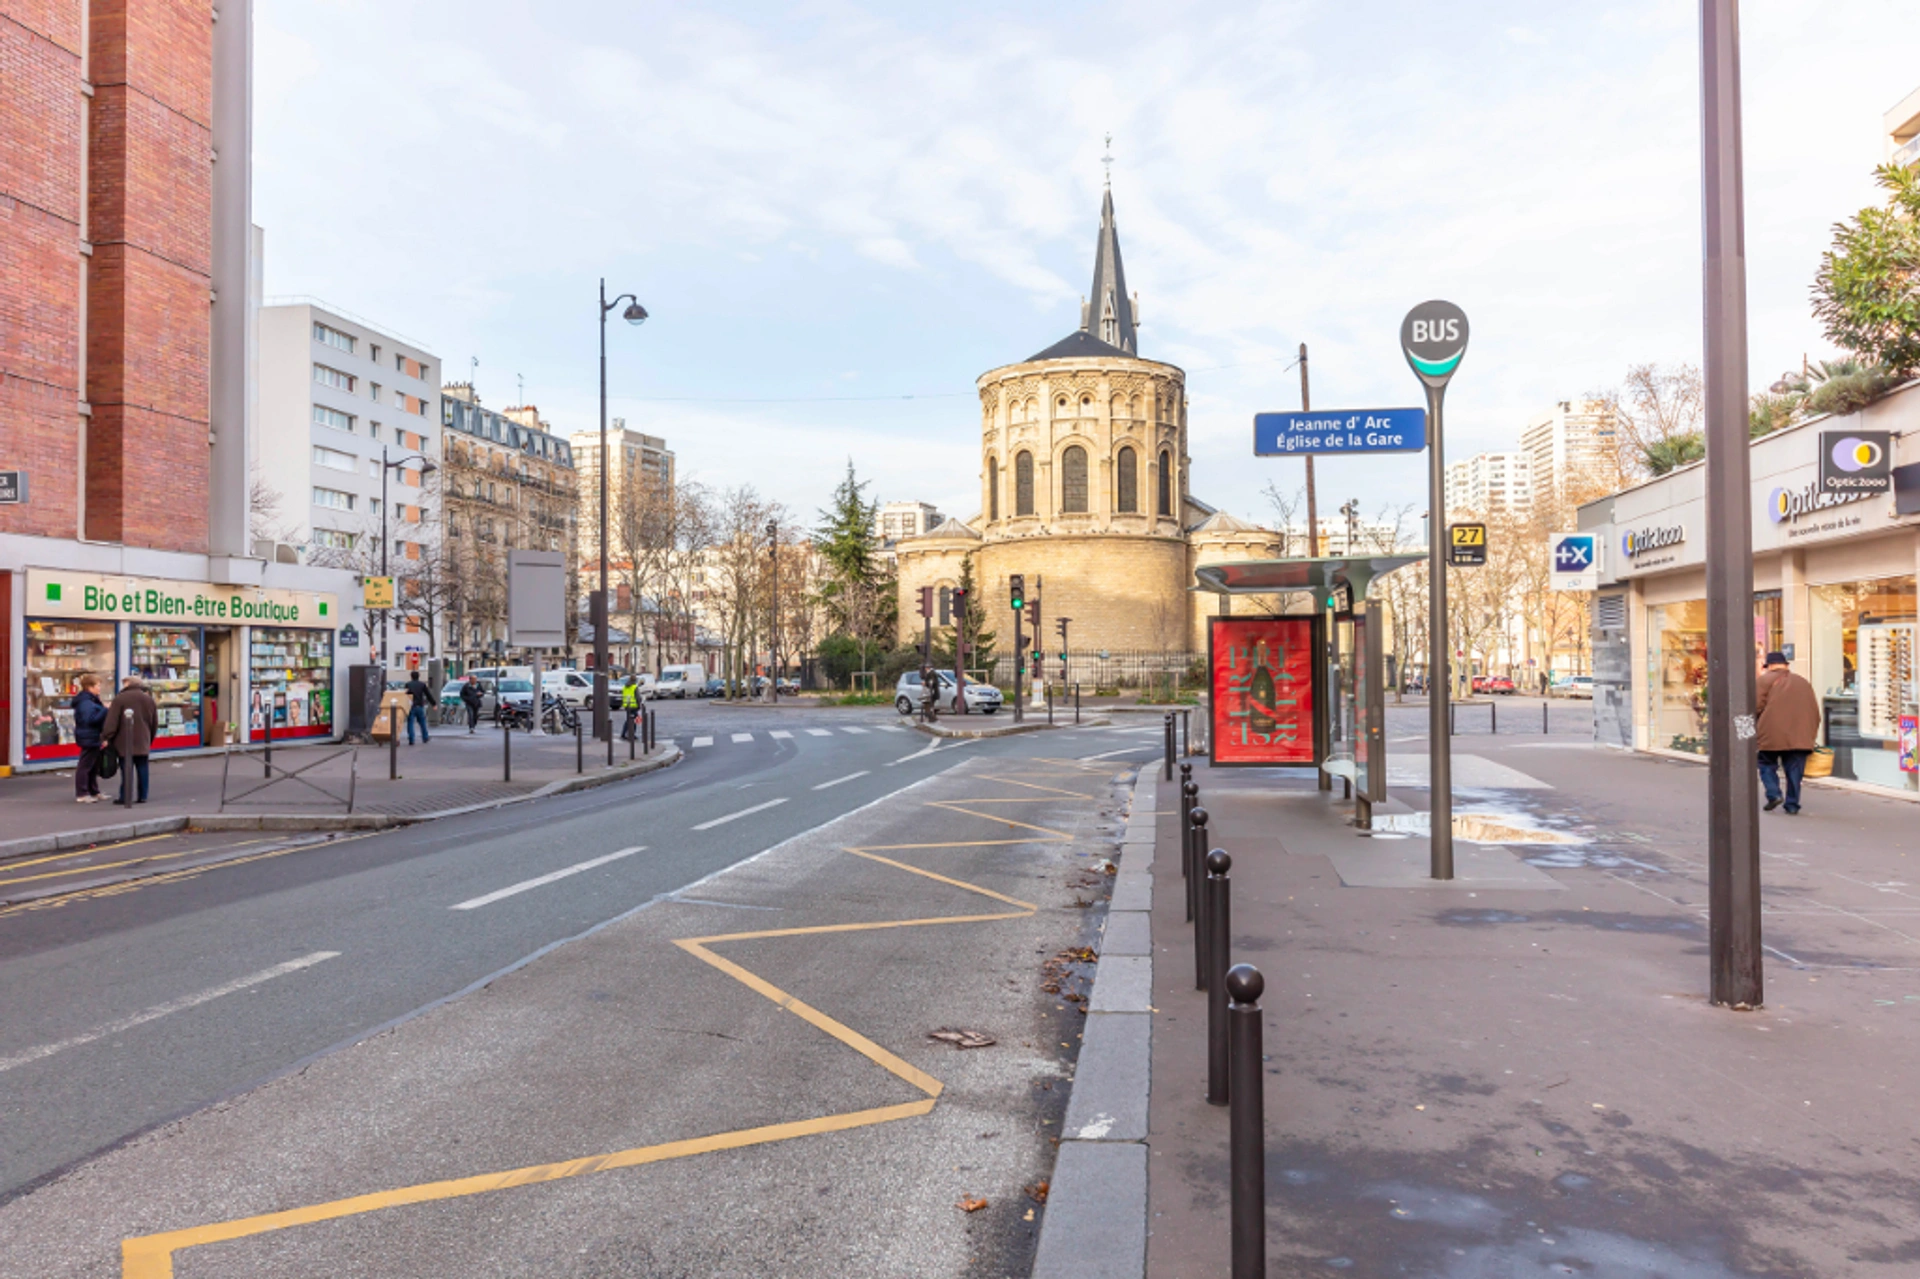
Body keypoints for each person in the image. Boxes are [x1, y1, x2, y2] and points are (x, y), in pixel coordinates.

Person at [1756, 651, 1820, 815]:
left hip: (1770, 733)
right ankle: (1792, 804)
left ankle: (1774, 793)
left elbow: (1754, 708)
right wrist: (1810, 735)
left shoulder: (1763, 681)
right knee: (1795, 771)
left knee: (1766, 764)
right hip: (1800, 736)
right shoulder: (1803, 682)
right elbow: (1814, 712)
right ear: (1786, 665)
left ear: (1769, 666)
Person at [101, 675, 158, 804]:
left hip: (124, 740)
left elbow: (112, 722)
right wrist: (149, 738)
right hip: (143, 739)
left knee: (126, 769)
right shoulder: (148, 699)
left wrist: (106, 736)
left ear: (128, 684)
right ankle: (143, 795)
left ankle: (125, 796)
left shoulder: (120, 699)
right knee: (142, 767)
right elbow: (154, 722)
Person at [72, 673, 108, 803]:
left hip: (92, 735)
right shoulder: (86, 702)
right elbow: (91, 719)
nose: (99, 688)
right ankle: (82, 793)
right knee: (86, 765)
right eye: (97, 686)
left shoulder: (90, 700)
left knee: (93, 765)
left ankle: (93, 790)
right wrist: (105, 710)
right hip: (89, 736)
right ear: (90, 687)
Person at [405, 671, 433, 745]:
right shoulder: (422, 685)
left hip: (411, 706)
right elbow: (428, 695)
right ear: (419, 676)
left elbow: (405, 695)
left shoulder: (408, 684)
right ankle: (425, 737)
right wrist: (434, 704)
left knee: (410, 722)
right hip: (419, 705)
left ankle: (411, 739)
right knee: (422, 722)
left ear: (411, 676)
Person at [620, 676, 640, 742]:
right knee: (635, 720)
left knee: (628, 720)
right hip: (634, 706)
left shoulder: (625, 687)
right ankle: (631, 734)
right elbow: (638, 698)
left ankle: (624, 733)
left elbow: (623, 695)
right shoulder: (634, 687)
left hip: (627, 705)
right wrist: (639, 705)